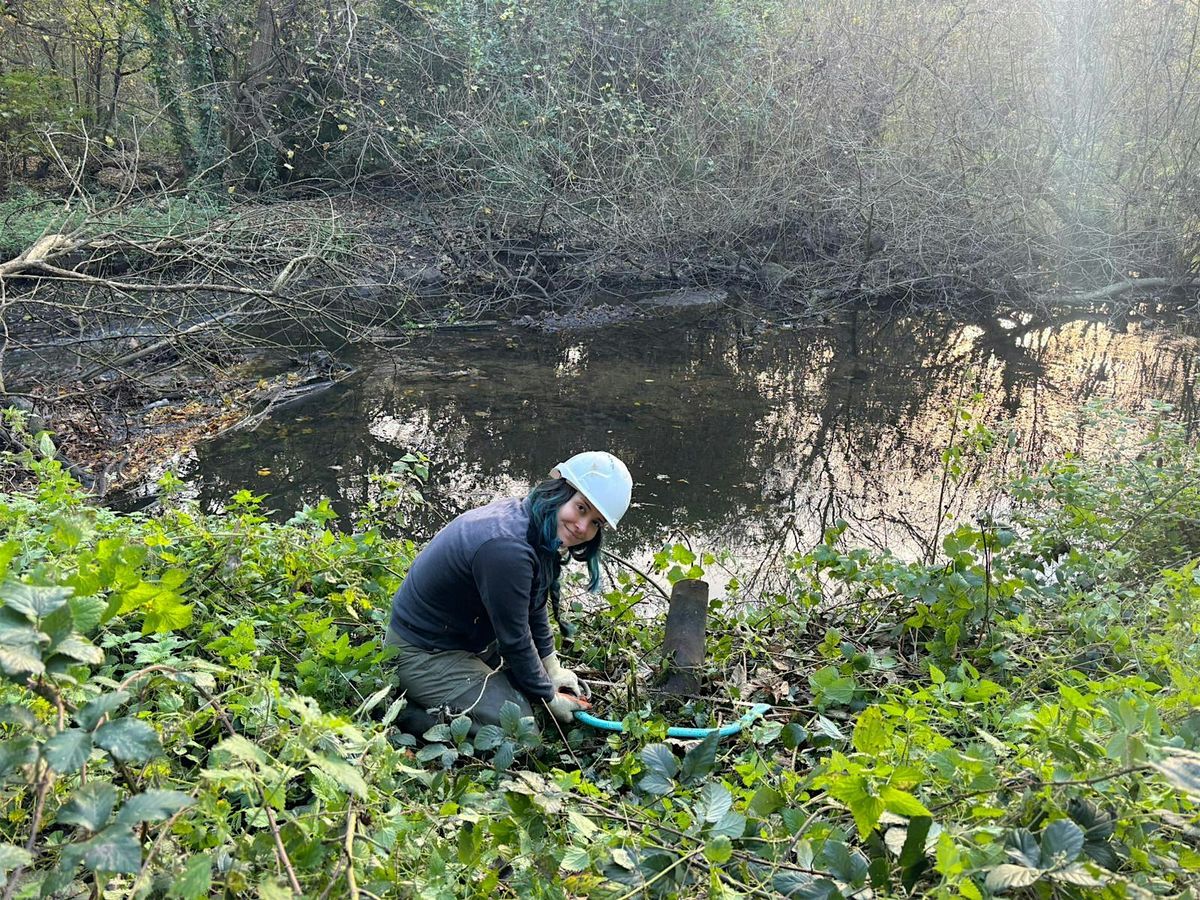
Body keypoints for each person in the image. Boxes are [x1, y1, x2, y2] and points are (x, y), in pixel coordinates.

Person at [384, 451, 633, 734]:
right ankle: (407, 713)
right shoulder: (507, 548)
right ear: (560, 491)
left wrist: (551, 667)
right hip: (422, 650)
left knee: (526, 690)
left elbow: (533, 606)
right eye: (581, 508)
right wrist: (550, 698)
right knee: (521, 729)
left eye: (596, 523)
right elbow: (515, 638)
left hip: (463, 640)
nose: (582, 527)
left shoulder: (535, 524)